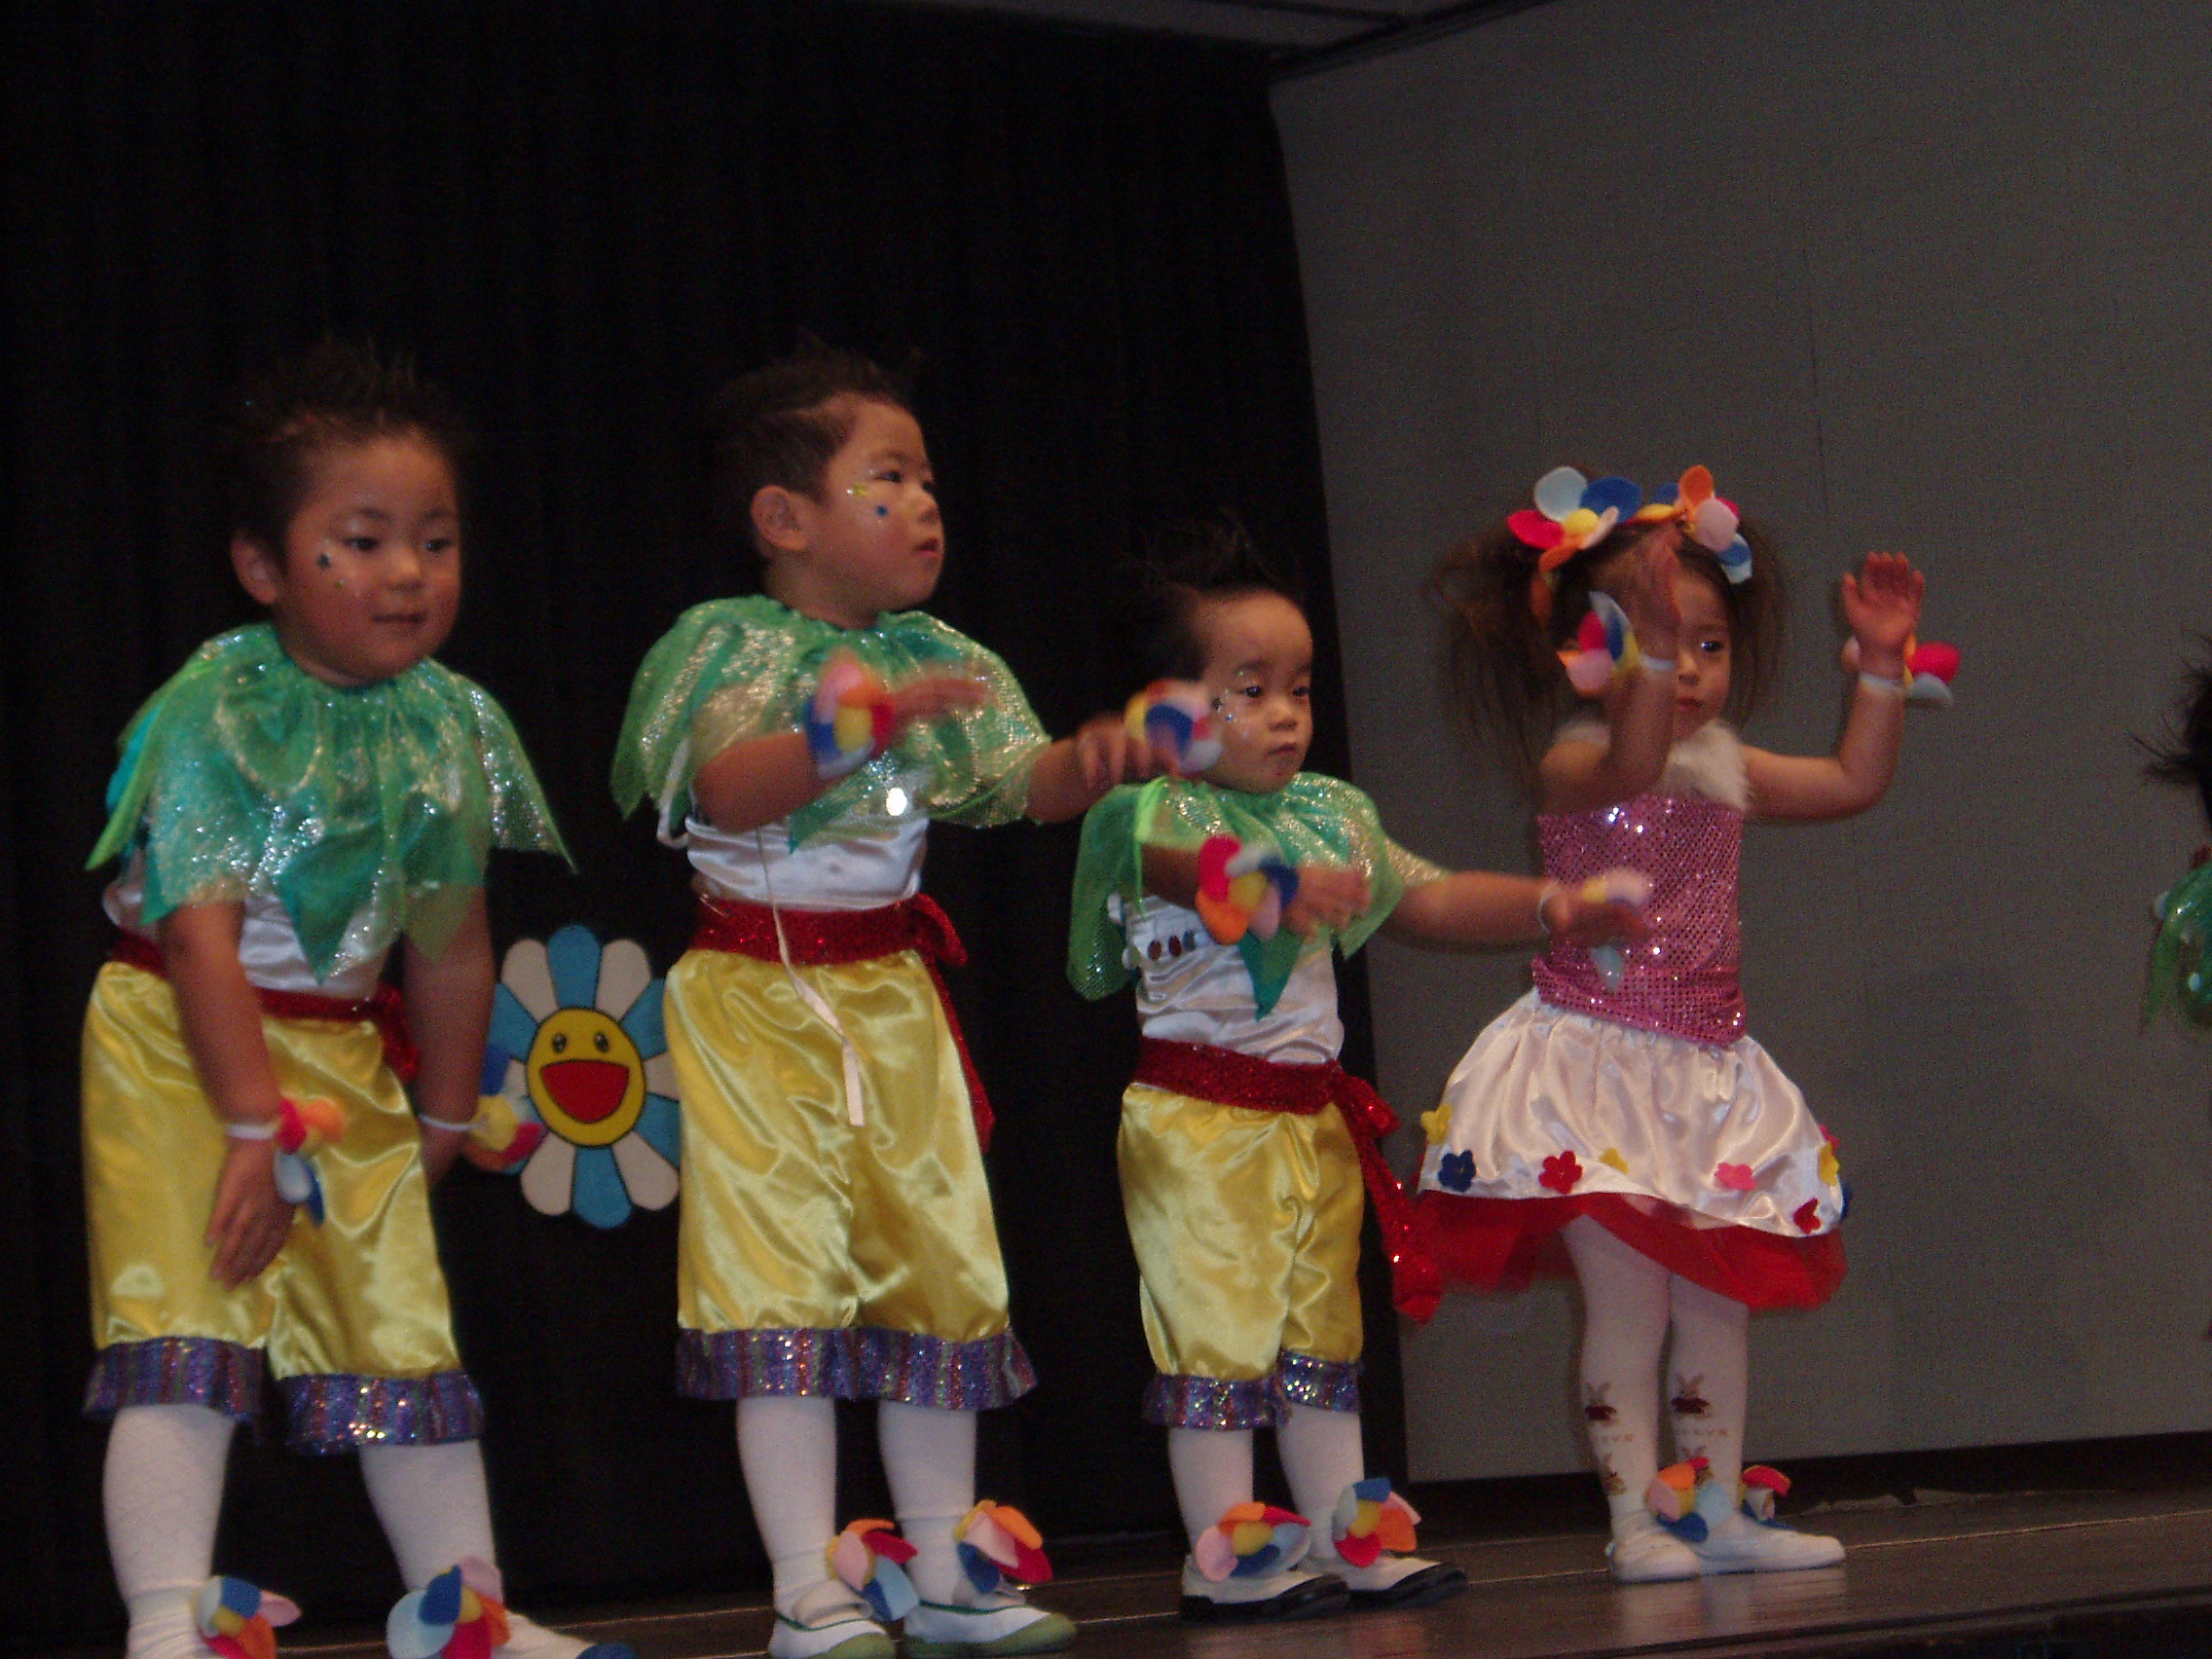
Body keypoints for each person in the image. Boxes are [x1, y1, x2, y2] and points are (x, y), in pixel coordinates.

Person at [611, 347, 1141, 1659]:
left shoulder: (937, 655)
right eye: (887, 480)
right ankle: (809, 1585)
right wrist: (862, 724)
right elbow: (727, 789)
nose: (925, 505)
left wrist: (1095, 760)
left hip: (892, 996)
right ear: (783, 518)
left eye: (928, 481)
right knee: (777, 1276)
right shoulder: (727, 645)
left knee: (937, 1268)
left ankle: (946, 1569)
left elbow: (1017, 783)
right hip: (758, 996)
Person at [81, 343, 608, 1659]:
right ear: (264, 568)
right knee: (188, 1311)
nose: (409, 573)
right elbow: (197, 936)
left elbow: (451, 943)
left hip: (341, 1055)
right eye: (362, 542)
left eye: (435, 540)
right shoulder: (217, 711)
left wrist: (444, 1113)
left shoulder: (450, 723)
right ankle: (163, 1620)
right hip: (181, 1043)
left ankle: (464, 1615)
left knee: (400, 1328)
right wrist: (248, 1128)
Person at [1066, 520, 1641, 1622]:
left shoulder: (1331, 814)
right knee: (1216, 1333)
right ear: (1172, 706)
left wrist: (1552, 906)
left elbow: (1428, 893)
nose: (1286, 713)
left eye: (1299, 687)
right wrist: (1262, 886)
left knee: (1321, 1331)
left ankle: (1346, 1532)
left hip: (1311, 1122)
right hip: (1198, 1123)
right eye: (1250, 690)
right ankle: (1223, 1555)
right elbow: (1175, 871)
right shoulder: (1150, 812)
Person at [1416, 466, 1928, 1582]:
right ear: (1581, 654)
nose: (1686, 669)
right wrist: (1646, 654)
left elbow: (1852, 780)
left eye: (1707, 645)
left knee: (1717, 1305)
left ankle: (1713, 1509)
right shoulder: (1573, 761)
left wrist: (1882, 667)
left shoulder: (1725, 766)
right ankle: (1634, 1522)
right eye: (1655, 641)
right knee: (1629, 1302)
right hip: (1594, 1069)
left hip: (1706, 1067)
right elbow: (1634, 761)